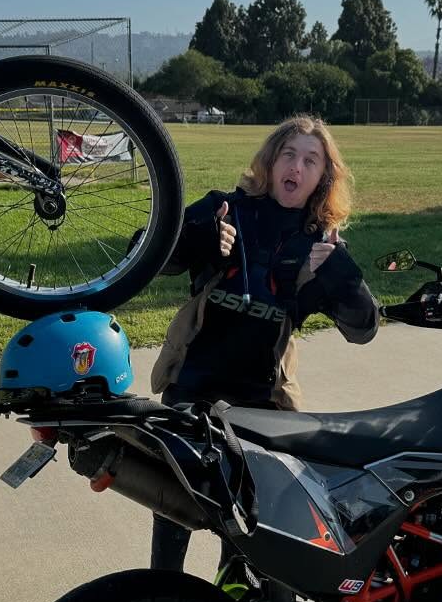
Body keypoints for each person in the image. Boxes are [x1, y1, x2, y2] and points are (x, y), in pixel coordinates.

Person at [149, 114, 380, 572]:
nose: (297, 166)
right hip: (193, 390)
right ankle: (162, 600)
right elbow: (149, 255)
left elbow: (364, 328)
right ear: (271, 162)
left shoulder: (320, 245)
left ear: (321, 178)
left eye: (311, 160)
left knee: (245, 530)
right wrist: (195, 237)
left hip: (261, 406)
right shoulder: (224, 210)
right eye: (289, 154)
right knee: (174, 509)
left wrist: (341, 273)